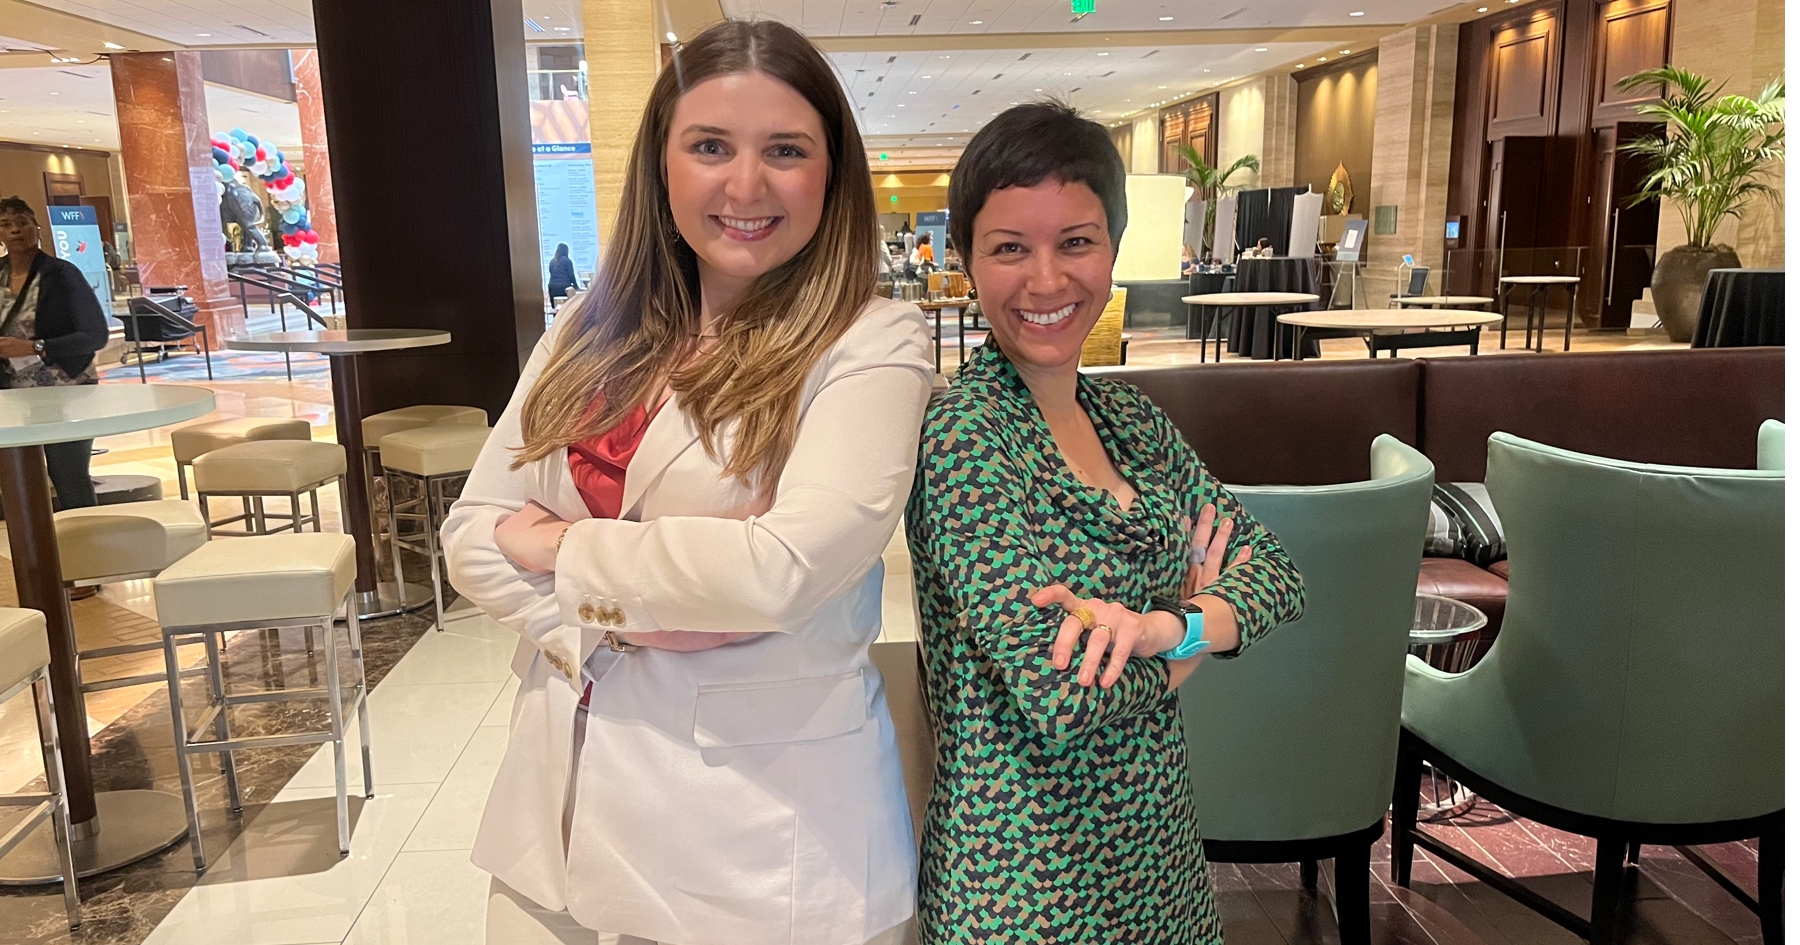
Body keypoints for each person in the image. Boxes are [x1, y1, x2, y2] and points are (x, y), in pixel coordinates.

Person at [441, 19, 931, 945]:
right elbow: (470, 533)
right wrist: (646, 613)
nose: (745, 185)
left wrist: (557, 548)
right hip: (558, 800)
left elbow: (780, 571)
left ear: (833, 173)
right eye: (710, 146)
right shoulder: (589, 326)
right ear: (661, 164)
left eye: (785, 150)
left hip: (759, 834)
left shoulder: (870, 341)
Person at [904, 103, 1306, 944]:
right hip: (1024, 881)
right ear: (967, 261)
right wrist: (1195, 643)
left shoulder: (1131, 420)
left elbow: (1275, 573)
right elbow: (1059, 694)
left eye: (1076, 241)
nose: (1047, 279)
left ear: (1113, 249)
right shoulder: (965, 436)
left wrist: (1164, 627)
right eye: (1010, 248)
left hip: (1160, 859)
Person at [0, 196, 109, 510]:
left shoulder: (61, 274)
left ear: (36, 227)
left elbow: (95, 335)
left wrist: (34, 347)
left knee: (68, 473)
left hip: (65, 389)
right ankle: (33, 538)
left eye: (22, 222)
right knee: (17, 477)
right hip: (10, 394)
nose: (15, 230)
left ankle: (87, 533)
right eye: (6, 224)